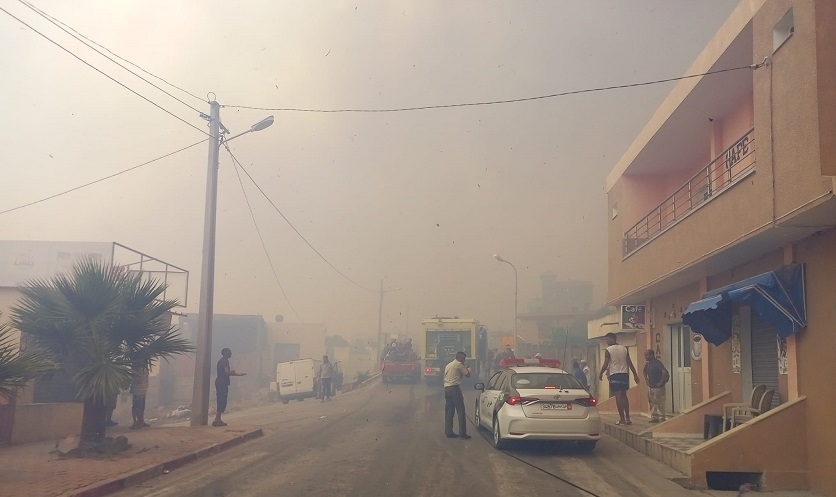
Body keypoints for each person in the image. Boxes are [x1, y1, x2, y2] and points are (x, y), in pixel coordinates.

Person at [598, 332, 639, 425]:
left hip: (615, 375)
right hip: (624, 375)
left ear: (613, 339)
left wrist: (600, 373)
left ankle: (622, 419)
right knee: (624, 396)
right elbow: (630, 362)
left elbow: (605, 364)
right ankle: (628, 418)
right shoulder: (624, 348)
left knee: (618, 396)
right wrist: (635, 374)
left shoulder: (608, 350)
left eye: (607, 339)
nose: (606, 341)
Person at [213, 348, 246, 427]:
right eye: (229, 352)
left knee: (221, 400)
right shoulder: (225, 361)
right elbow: (227, 372)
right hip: (222, 383)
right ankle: (217, 420)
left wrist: (238, 374)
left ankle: (218, 419)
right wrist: (234, 373)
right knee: (222, 400)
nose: (231, 353)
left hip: (220, 382)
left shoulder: (222, 360)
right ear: (226, 353)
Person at [443, 351, 471, 439]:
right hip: (454, 389)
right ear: (460, 357)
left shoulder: (449, 365)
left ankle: (448, 432)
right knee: (461, 411)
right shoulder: (459, 365)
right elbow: (467, 375)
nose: (464, 360)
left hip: (447, 388)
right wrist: (468, 369)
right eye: (463, 358)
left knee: (449, 411)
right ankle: (462, 433)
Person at [643, 349, 670, 423]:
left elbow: (664, 372)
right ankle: (654, 417)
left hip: (658, 387)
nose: (645, 357)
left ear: (652, 355)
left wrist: (661, 382)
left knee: (660, 402)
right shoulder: (648, 364)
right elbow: (644, 371)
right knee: (652, 402)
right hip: (651, 387)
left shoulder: (658, 363)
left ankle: (661, 417)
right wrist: (646, 380)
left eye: (646, 355)